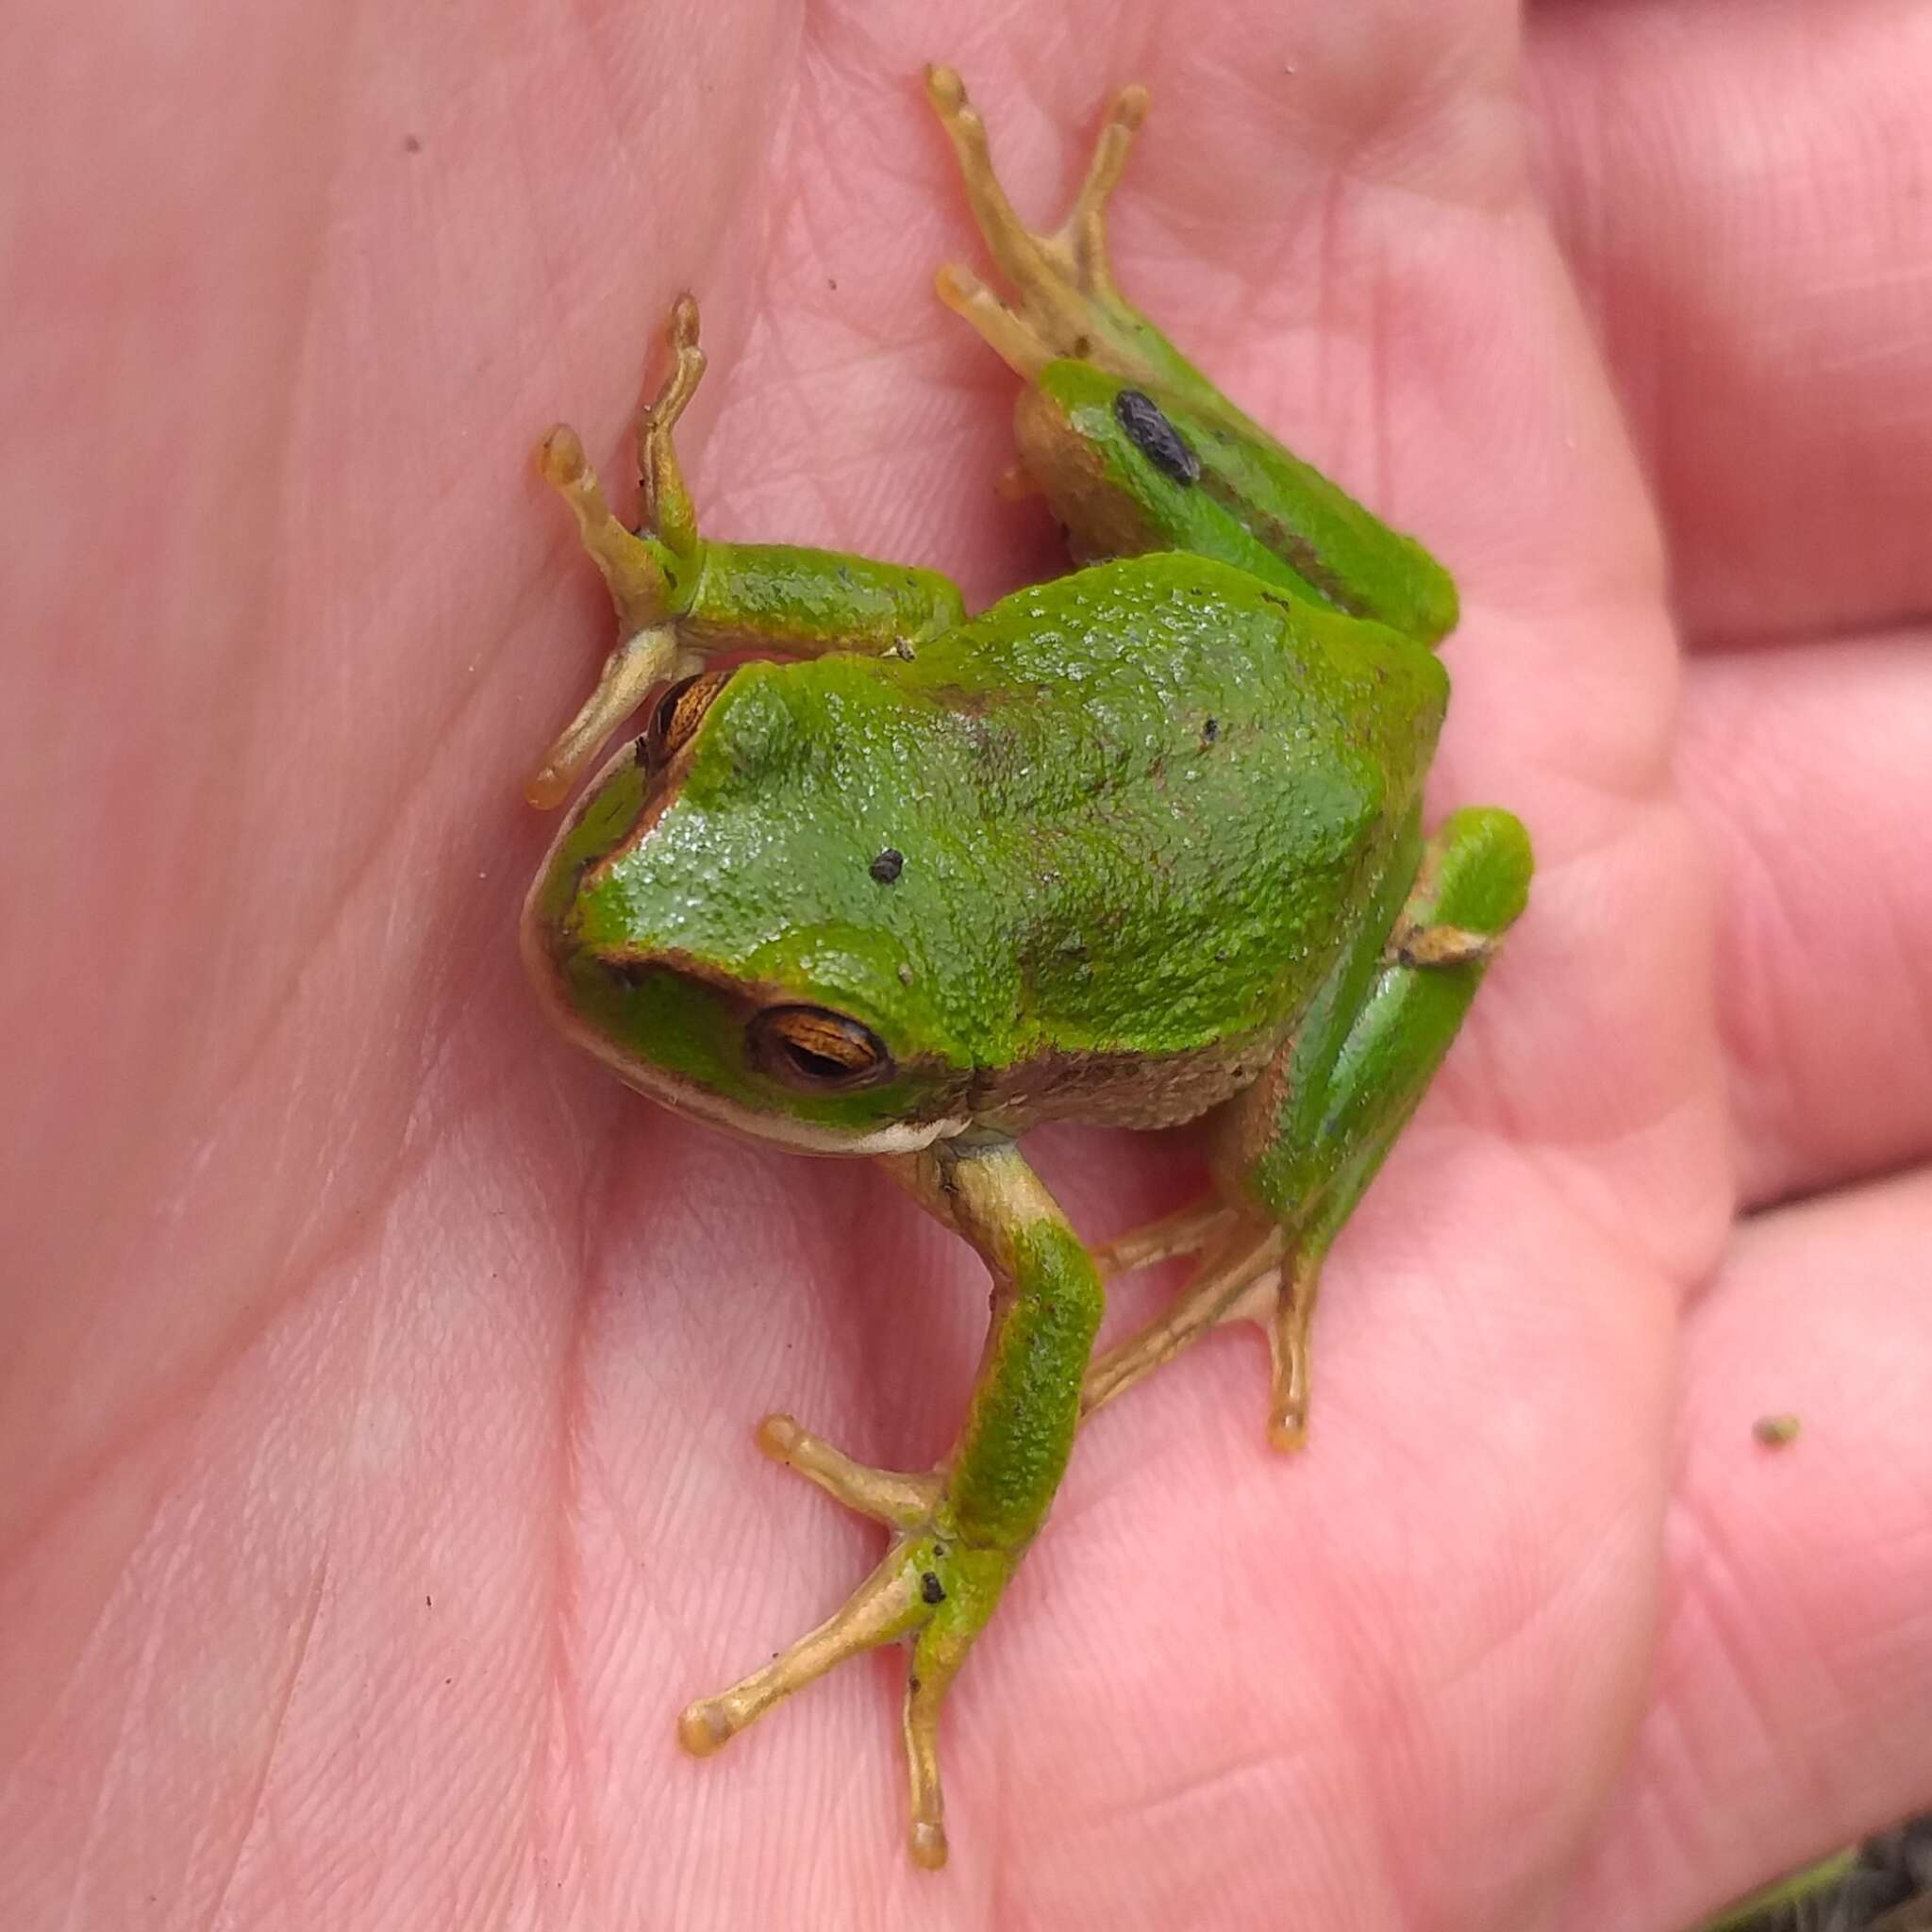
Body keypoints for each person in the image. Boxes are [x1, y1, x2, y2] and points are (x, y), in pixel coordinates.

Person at [3, 5, 1927, 1925]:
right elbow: (910, 624)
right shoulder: (833, 726)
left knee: (1253, 1162)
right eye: (702, 738)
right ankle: (1022, 454)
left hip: (1325, 843)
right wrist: (689, 610)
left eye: (809, 1035)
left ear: (914, 1075)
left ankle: (1298, 1208)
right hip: (1261, 646)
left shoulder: (984, 1160)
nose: (622, 909)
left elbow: (1059, 1292)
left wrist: (966, 1542)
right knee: (1074, 427)